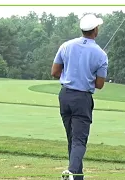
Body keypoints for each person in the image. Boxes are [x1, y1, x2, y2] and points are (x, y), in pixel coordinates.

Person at [51, 14, 108, 180]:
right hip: (82, 99)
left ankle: (76, 176)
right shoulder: (100, 54)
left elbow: (54, 72)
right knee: (79, 141)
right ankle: (71, 173)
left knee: (73, 140)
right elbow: (99, 84)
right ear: (95, 30)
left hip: (65, 96)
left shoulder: (66, 46)